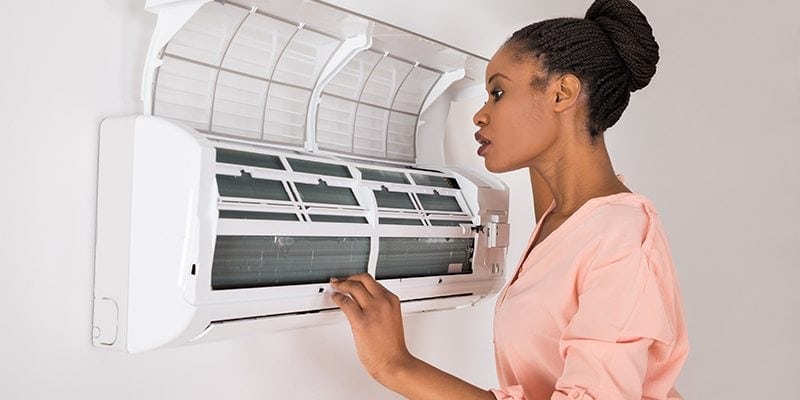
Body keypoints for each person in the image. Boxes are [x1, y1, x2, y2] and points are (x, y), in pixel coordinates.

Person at [329, 0, 689, 398]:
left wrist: (395, 365)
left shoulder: (621, 242)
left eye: (497, 92)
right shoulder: (566, 217)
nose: (479, 115)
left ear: (563, 92)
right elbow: (555, 160)